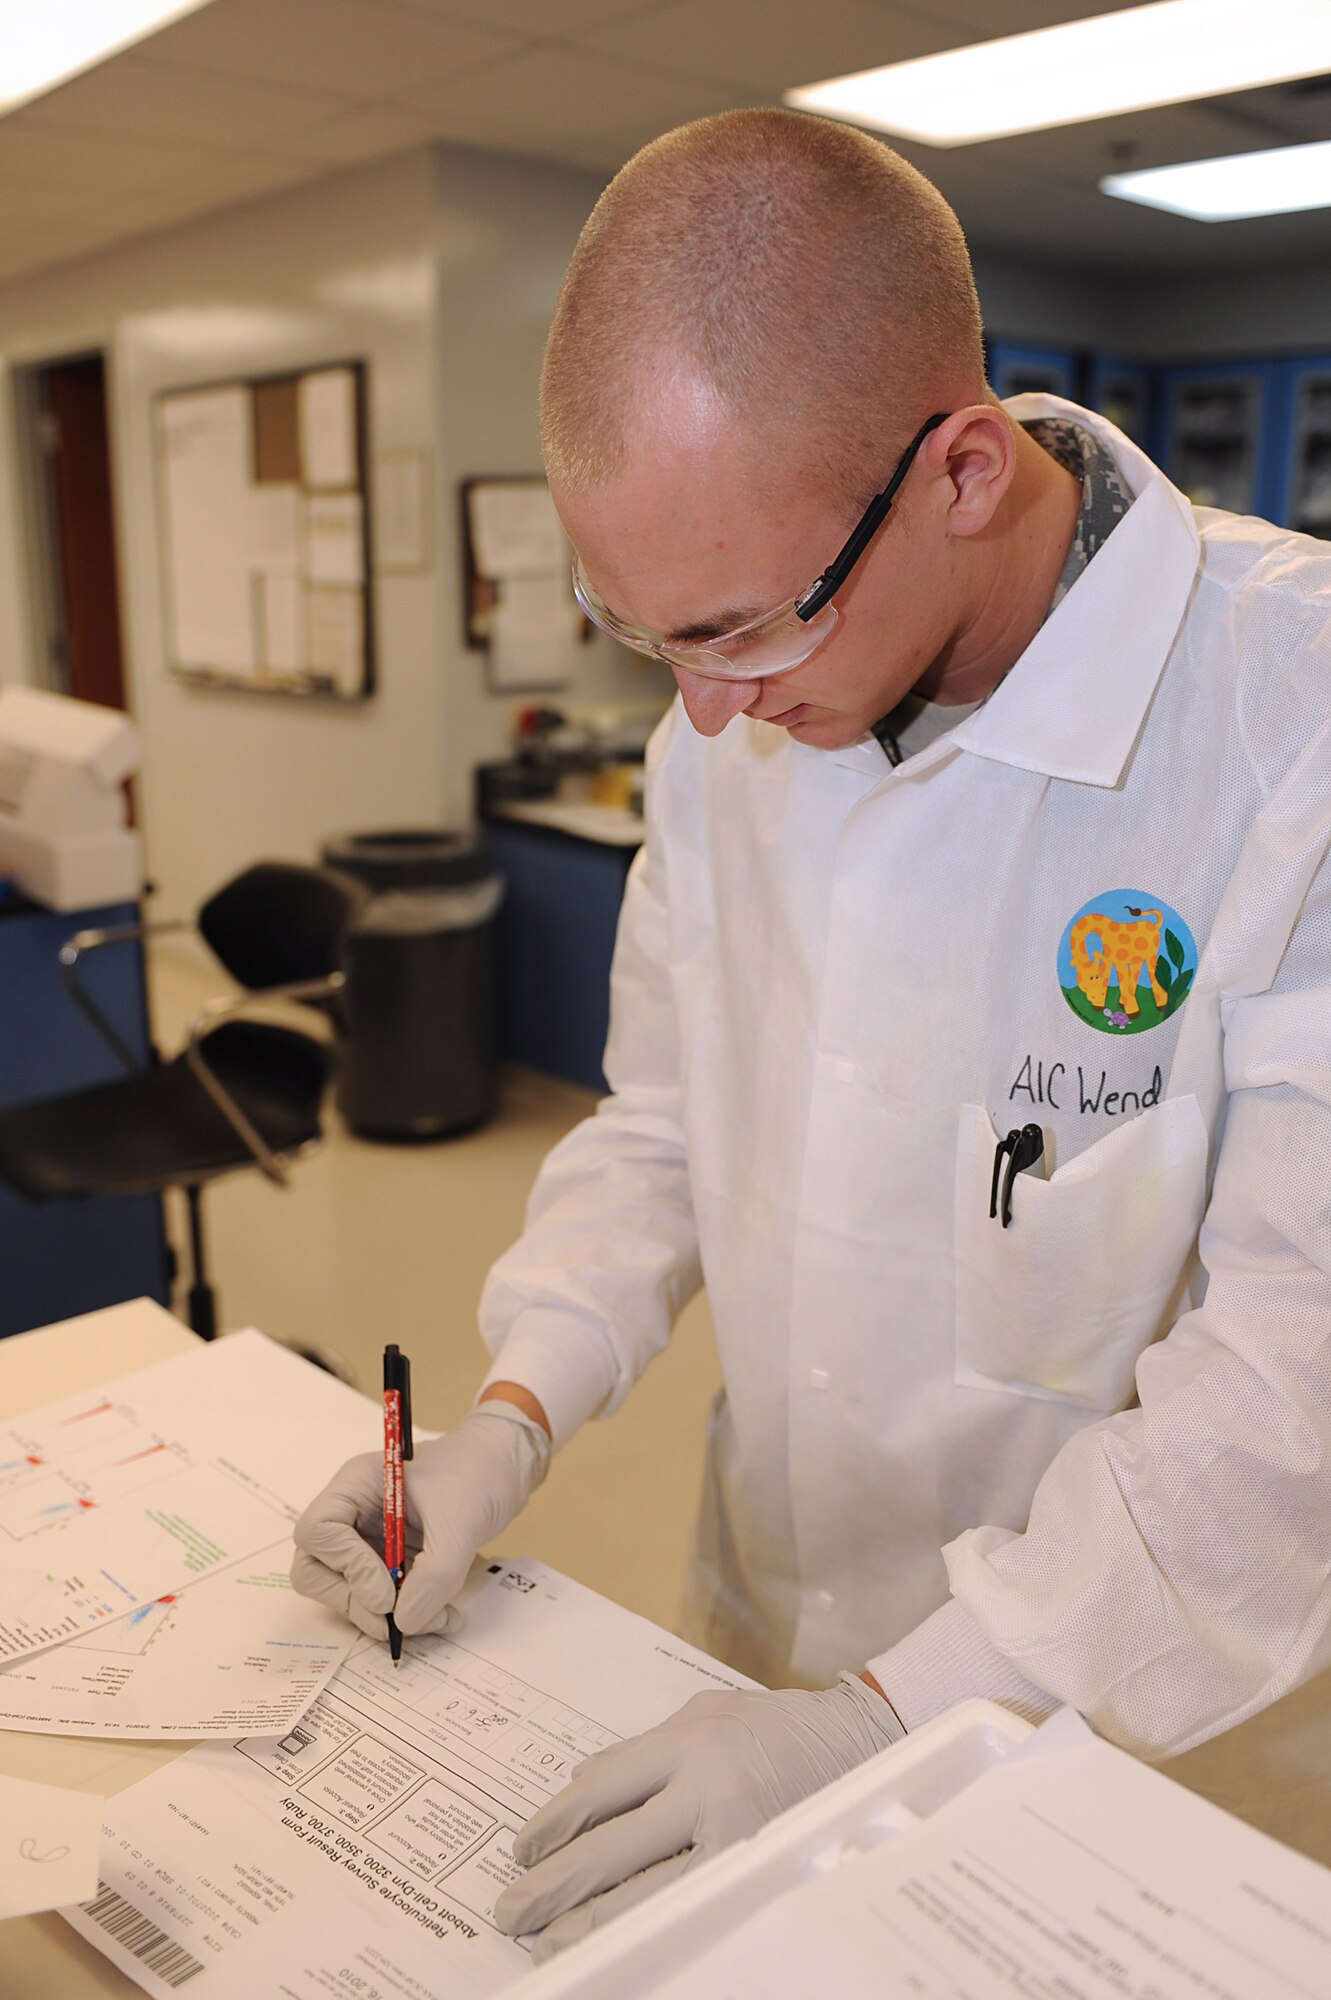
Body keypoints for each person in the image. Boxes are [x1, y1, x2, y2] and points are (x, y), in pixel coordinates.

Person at [292, 108, 1331, 1959]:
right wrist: (512, 1416)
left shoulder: (1287, 728)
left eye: (746, 630)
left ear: (960, 473)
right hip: (760, 1628)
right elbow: (670, 1119)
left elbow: (1289, 1401)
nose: (700, 717)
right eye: (644, 638)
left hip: (1148, 1733)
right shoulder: (744, 720)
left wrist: (884, 1720)